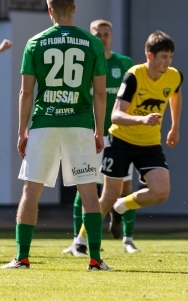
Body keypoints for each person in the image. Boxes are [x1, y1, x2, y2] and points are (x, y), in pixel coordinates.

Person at [2, 0, 111, 270]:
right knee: (88, 191)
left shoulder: (35, 42)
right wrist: (100, 130)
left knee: (31, 190)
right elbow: (100, 93)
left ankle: (22, 257)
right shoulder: (93, 43)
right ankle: (95, 259)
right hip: (80, 124)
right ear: (74, 9)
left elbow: (26, 93)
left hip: (44, 124)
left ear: (50, 11)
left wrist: (21, 131)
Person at [74, 30, 182, 246]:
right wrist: (142, 120)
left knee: (161, 192)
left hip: (150, 143)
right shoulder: (133, 76)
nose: (167, 61)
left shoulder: (174, 75)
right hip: (120, 141)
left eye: (170, 56)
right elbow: (116, 115)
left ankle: (122, 206)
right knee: (107, 196)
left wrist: (175, 127)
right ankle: (80, 241)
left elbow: (176, 95)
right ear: (150, 56)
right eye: (163, 56)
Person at [62, 19, 137, 257]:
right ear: (92, 37)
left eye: (106, 33)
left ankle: (128, 238)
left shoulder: (124, 64)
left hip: (118, 135)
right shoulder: (84, 61)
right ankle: (78, 241)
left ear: (112, 37)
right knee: (84, 185)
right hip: (90, 134)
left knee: (124, 187)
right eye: (97, 33)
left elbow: (134, 98)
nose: (102, 37)